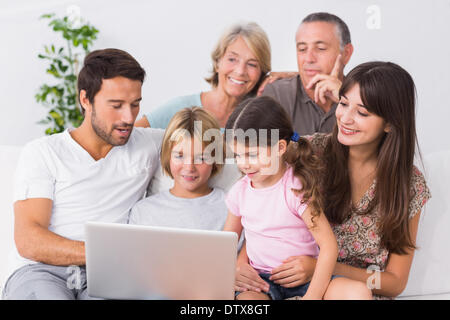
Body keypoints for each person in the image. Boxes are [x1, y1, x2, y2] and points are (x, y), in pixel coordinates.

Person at [236, 62, 431, 300]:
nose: (345, 118)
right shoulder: (308, 152)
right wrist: (240, 262)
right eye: (343, 103)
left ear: (390, 123)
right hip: (284, 284)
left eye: (362, 112)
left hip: (351, 292)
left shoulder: (409, 185)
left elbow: (395, 282)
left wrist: (320, 266)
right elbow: (260, 204)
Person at [2, 48, 165, 300]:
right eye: (116, 105)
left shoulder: (147, 145)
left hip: (108, 275)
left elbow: (222, 140)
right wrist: (108, 252)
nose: (129, 117)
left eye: (135, 105)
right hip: (41, 272)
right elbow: (29, 241)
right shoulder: (44, 153)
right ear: (85, 100)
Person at [223, 96, 372, 300]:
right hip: (260, 282)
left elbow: (328, 246)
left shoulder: (295, 188)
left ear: (280, 148)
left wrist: (312, 296)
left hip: (306, 279)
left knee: (359, 293)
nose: (243, 164)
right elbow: (224, 245)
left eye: (252, 155)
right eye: (238, 155)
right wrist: (235, 269)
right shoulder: (239, 192)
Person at [134, 22, 271, 129]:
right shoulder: (181, 108)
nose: (240, 71)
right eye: (232, 59)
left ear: (262, 72)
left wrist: (290, 77)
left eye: (252, 64)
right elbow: (131, 139)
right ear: (217, 62)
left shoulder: (261, 117)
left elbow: (292, 139)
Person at [129, 107, 228, 231]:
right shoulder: (143, 211)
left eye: (201, 158)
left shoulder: (232, 207)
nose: (189, 167)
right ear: (168, 155)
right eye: (180, 156)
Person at [261, 12, 354, 135]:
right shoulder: (277, 95)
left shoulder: (366, 97)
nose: (309, 58)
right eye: (302, 49)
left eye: (320, 48)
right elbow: (260, 149)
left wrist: (346, 100)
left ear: (346, 53)